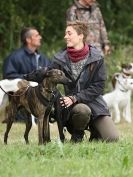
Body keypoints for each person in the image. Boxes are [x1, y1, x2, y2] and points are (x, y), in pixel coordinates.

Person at [51, 21, 119, 142]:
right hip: (72, 107)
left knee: (112, 138)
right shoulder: (60, 59)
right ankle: (77, 136)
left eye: (69, 33)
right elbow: (49, 80)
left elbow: (99, 86)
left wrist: (75, 97)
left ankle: (94, 132)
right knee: (82, 110)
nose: (65, 36)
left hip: (94, 102)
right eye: (65, 33)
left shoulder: (97, 57)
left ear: (81, 35)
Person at [2, 27, 50, 121]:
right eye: (36, 35)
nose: (40, 37)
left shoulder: (43, 59)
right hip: (20, 110)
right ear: (28, 39)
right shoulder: (14, 57)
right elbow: (9, 76)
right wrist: (30, 79)